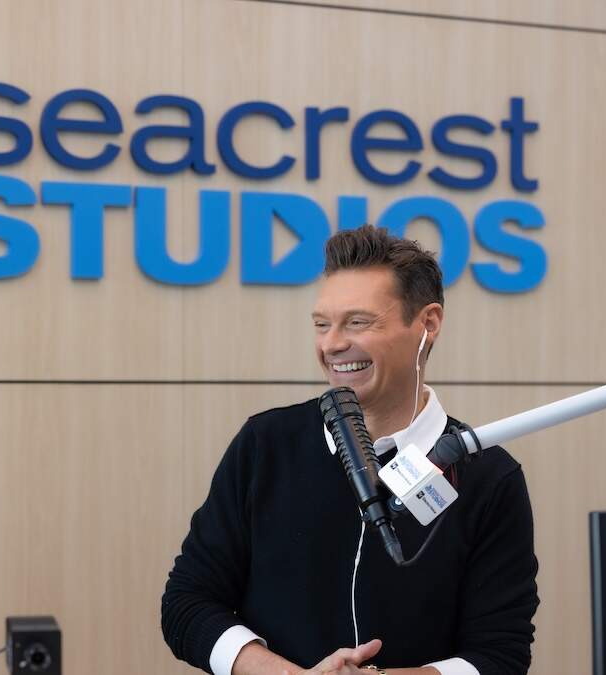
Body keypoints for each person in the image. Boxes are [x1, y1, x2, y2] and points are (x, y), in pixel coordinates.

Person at [162, 226, 539, 675]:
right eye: (322, 325)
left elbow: (500, 655)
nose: (332, 344)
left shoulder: (488, 476)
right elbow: (187, 603)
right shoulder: (265, 445)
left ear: (428, 324)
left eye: (358, 322)